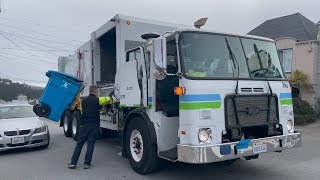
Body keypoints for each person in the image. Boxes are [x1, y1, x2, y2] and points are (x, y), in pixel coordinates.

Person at [68, 85, 110, 169]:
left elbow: (81, 111)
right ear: (95, 92)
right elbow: (107, 99)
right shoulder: (98, 100)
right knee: (90, 145)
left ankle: (73, 163)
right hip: (93, 126)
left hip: (83, 126)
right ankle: (87, 163)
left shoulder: (83, 101)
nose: (98, 93)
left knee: (79, 144)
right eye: (98, 92)